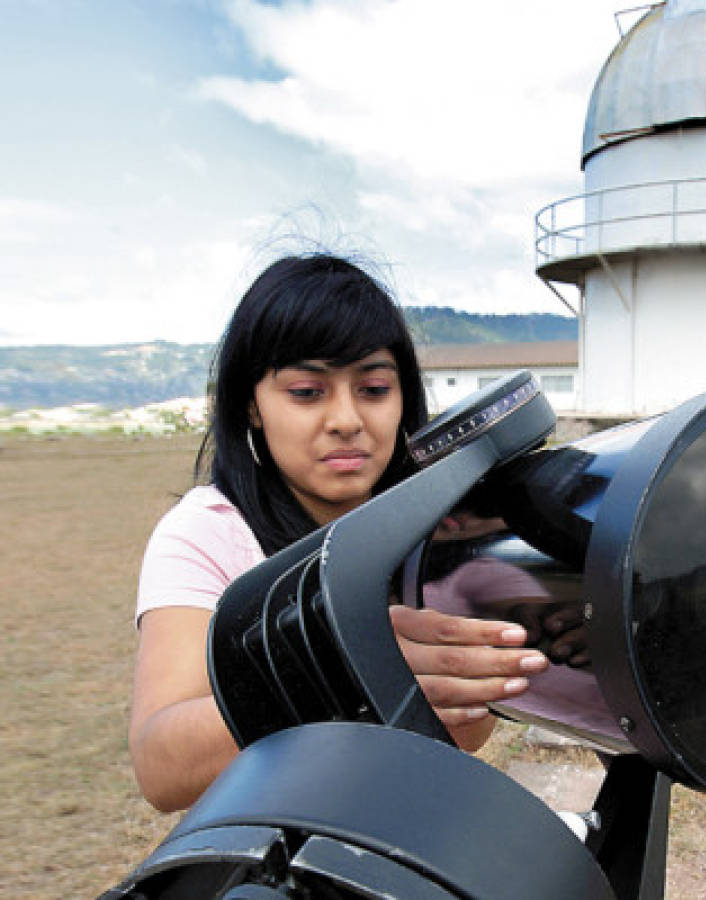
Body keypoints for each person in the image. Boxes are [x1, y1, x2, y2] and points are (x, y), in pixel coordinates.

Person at [129, 253, 549, 812]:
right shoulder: (209, 533)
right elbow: (163, 767)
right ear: (251, 405)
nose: (347, 419)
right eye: (307, 392)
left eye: (374, 388)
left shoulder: (438, 530)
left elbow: (464, 735)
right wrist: (351, 675)